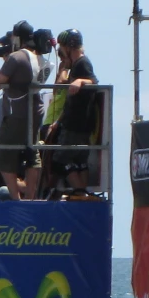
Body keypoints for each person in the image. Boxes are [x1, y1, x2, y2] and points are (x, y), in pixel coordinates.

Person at [0, 20, 44, 200]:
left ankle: (17, 198)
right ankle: (31, 196)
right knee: (32, 152)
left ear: (18, 37)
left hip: (17, 113)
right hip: (36, 112)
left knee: (3, 152)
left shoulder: (16, 57)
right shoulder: (39, 57)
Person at [51, 29, 99, 192]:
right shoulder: (75, 65)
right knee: (79, 161)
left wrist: (80, 81)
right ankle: (82, 194)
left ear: (68, 47)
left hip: (77, 123)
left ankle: (81, 193)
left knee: (60, 161)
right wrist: (59, 121)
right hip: (73, 120)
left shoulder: (82, 63)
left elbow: (93, 81)